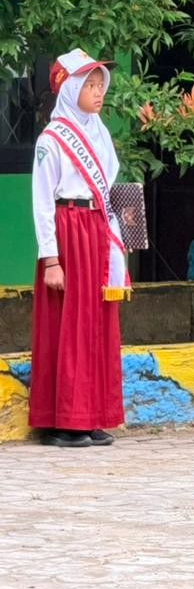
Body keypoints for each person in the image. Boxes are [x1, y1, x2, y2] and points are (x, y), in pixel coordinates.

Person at [29, 49, 129, 447]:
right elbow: (41, 201)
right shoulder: (51, 141)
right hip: (67, 233)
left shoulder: (99, 133)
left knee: (97, 322)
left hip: (95, 230)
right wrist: (51, 259)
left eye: (99, 83)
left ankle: (91, 415)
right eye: (88, 84)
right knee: (68, 324)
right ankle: (62, 421)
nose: (97, 91)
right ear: (68, 90)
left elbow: (106, 189)